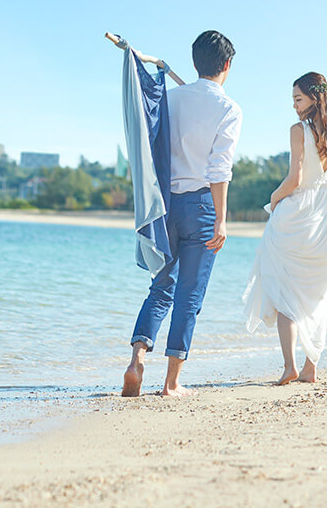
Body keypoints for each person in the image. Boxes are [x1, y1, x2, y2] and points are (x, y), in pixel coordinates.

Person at [242, 45, 327, 385]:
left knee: (284, 292)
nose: (294, 106)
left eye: (299, 99)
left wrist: (273, 199)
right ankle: (309, 367)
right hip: (325, 221)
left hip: (296, 217)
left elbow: (295, 179)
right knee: (315, 295)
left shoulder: (298, 130)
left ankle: (290, 367)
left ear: (315, 100)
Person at [122, 30, 242, 397]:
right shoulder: (229, 109)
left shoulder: (169, 98)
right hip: (202, 206)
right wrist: (221, 218)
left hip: (165, 204)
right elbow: (220, 170)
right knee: (190, 294)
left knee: (161, 287)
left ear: (195, 62)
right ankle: (171, 383)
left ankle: (137, 357)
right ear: (226, 65)